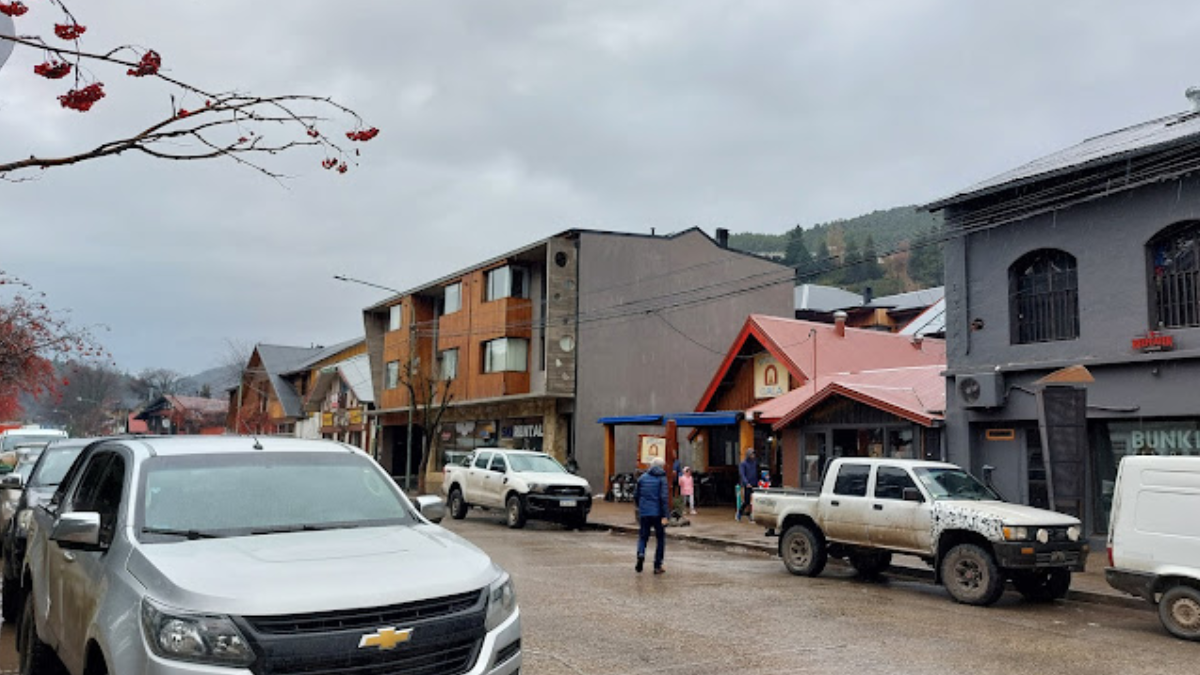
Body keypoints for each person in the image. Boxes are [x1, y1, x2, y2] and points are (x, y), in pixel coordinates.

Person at [633, 456, 669, 574]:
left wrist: (640, 507)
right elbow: (664, 498)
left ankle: (641, 553)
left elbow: (636, 495)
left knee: (643, 536)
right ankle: (657, 565)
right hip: (658, 514)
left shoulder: (642, 478)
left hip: (645, 513)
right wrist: (665, 516)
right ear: (661, 466)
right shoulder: (662, 479)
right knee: (660, 539)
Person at [737, 448, 757, 521]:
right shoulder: (743, 464)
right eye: (751, 454)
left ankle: (750, 514)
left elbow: (756, 473)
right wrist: (746, 483)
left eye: (753, 454)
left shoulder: (754, 463)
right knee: (747, 501)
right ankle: (739, 513)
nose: (753, 455)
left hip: (754, 483)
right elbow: (742, 474)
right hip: (747, 484)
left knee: (754, 501)